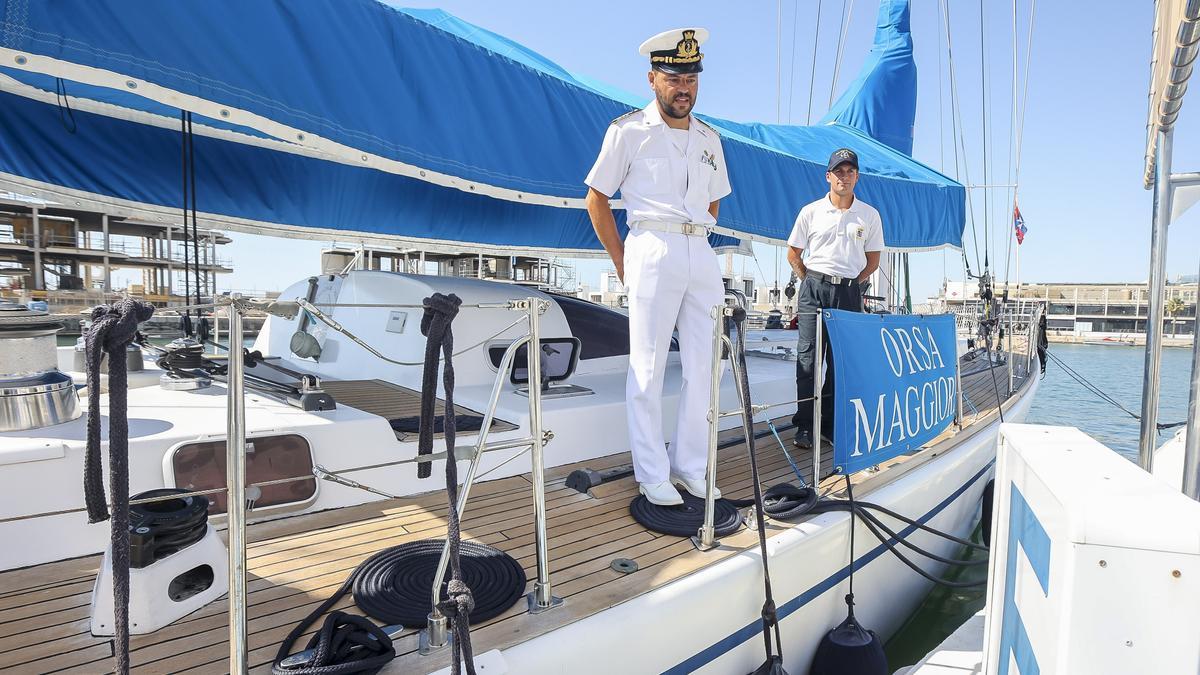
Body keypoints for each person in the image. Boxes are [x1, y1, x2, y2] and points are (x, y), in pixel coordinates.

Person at [584, 28, 732, 505]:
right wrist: (623, 261)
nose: (683, 86)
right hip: (651, 245)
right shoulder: (628, 132)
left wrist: (698, 240)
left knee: (705, 369)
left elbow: (713, 204)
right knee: (645, 369)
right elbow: (597, 199)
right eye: (673, 76)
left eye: (690, 77)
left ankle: (690, 466)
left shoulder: (710, 138)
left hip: (700, 252)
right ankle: (652, 472)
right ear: (653, 78)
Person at [786, 148, 884, 449]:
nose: (844, 176)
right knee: (808, 359)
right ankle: (804, 425)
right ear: (828, 176)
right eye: (838, 171)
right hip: (814, 287)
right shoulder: (811, 211)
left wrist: (851, 284)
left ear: (857, 176)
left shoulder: (869, 215)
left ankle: (827, 425)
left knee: (839, 362)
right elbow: (794, 254)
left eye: (849, 171)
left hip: (849, 292)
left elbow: (873, 261)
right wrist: (812, 281)